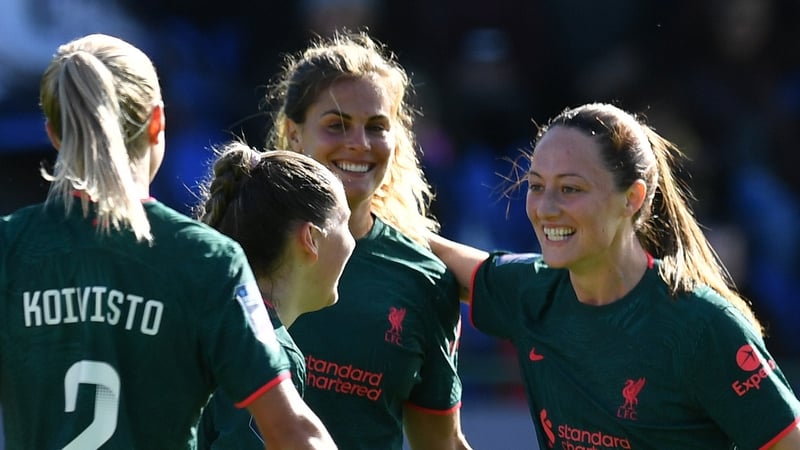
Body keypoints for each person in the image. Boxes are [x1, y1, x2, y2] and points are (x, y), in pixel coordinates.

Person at [0, 33, 336, 450]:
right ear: (158, 120)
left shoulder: (10, 246)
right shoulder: (207, 259)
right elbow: (292, 431)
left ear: (53, 134)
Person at [428, 102, 800, 449]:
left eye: (570, 188)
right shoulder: (532, 291)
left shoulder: (703, 326)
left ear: (632, 198)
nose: (545, 208)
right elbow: (428, 252)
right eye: (537, 186)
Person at [262, 29, 472, 450]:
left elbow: (441, 443)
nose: (358, 144)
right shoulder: (234, 248)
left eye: (376, 127)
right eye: (336, 125)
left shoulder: (424, 279)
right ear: (294, 133)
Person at [194, 142, 355, 449]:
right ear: (311, 238)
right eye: (344, 223)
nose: (353, 241)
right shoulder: (269, 352)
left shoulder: (208, 319)